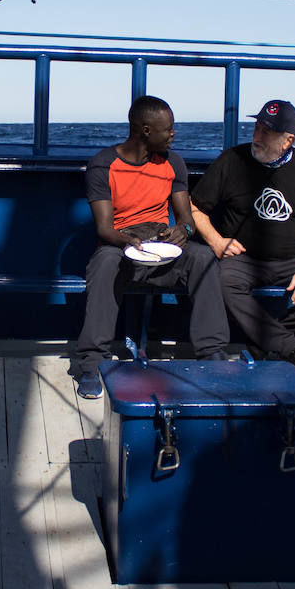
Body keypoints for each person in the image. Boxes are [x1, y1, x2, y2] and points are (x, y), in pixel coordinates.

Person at [72, 95, 230, 399]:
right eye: (168, 129)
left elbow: (187, 220)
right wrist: (131, 241)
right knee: (104, 263)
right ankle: (92, 364)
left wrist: (183, 231)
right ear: (146, 130)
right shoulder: (103, 164)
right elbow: (104, 229)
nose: (173, 134)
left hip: (161, 243)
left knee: (202, 257)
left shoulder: (173, 163)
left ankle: (212, 353)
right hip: (121, 245)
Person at [190, 99, 295, 369]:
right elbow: (193, 207)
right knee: (219, 281)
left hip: (293, 259)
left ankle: (267, 339)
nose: (257, 137)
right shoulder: (231, 161)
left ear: (288, 141)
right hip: (243, 258)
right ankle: (287, 346)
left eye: (267, 132)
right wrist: (216, 241)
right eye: (257, 128)